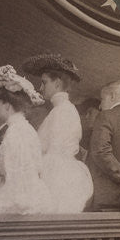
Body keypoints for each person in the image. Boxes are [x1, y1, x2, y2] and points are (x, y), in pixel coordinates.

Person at [0, 65, 55, 215]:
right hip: (22, 194)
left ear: (7, 106)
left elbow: (18, 183)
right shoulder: (22, 128)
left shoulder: (17, 132)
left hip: (22, 202)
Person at [22, 54, 93, 213]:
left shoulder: (64, 111)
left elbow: (54, 153)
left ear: (57, 83)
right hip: (56, 173)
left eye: (44, 82)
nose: (40, 88)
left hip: (59, 179)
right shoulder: (59, 110)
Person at [88, 80, 120, 211]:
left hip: (109, 198)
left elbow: (100, 151)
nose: (100, 106)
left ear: (112, 96)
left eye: (102, 99)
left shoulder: (106, 116)